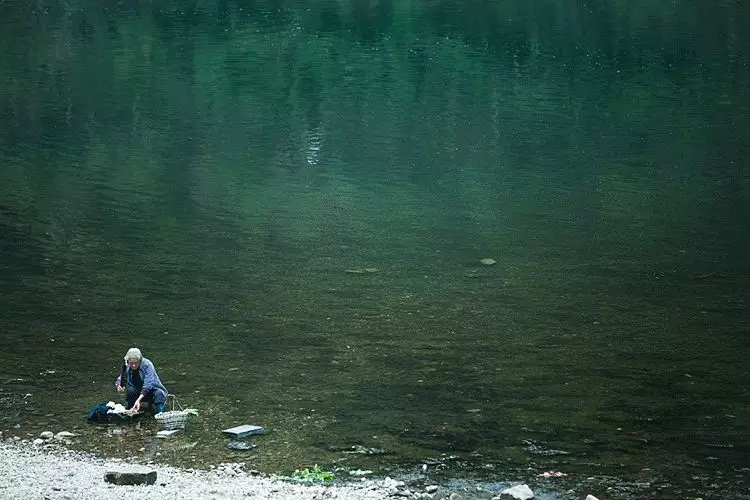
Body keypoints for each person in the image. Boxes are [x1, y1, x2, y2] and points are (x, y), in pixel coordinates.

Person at [115, 347, 168, 414]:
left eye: (136, 363)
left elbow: (148, 385)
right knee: (130, 391)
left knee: (159, 393)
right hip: (138, 391)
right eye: (131, 363)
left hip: (152, 391)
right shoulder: (127, 365)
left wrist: (138, 400)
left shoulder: (148, 365)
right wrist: (118, 385)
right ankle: (131, 411)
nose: (133, 365)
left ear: (140, 361)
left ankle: (160, 414)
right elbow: (121, 378)